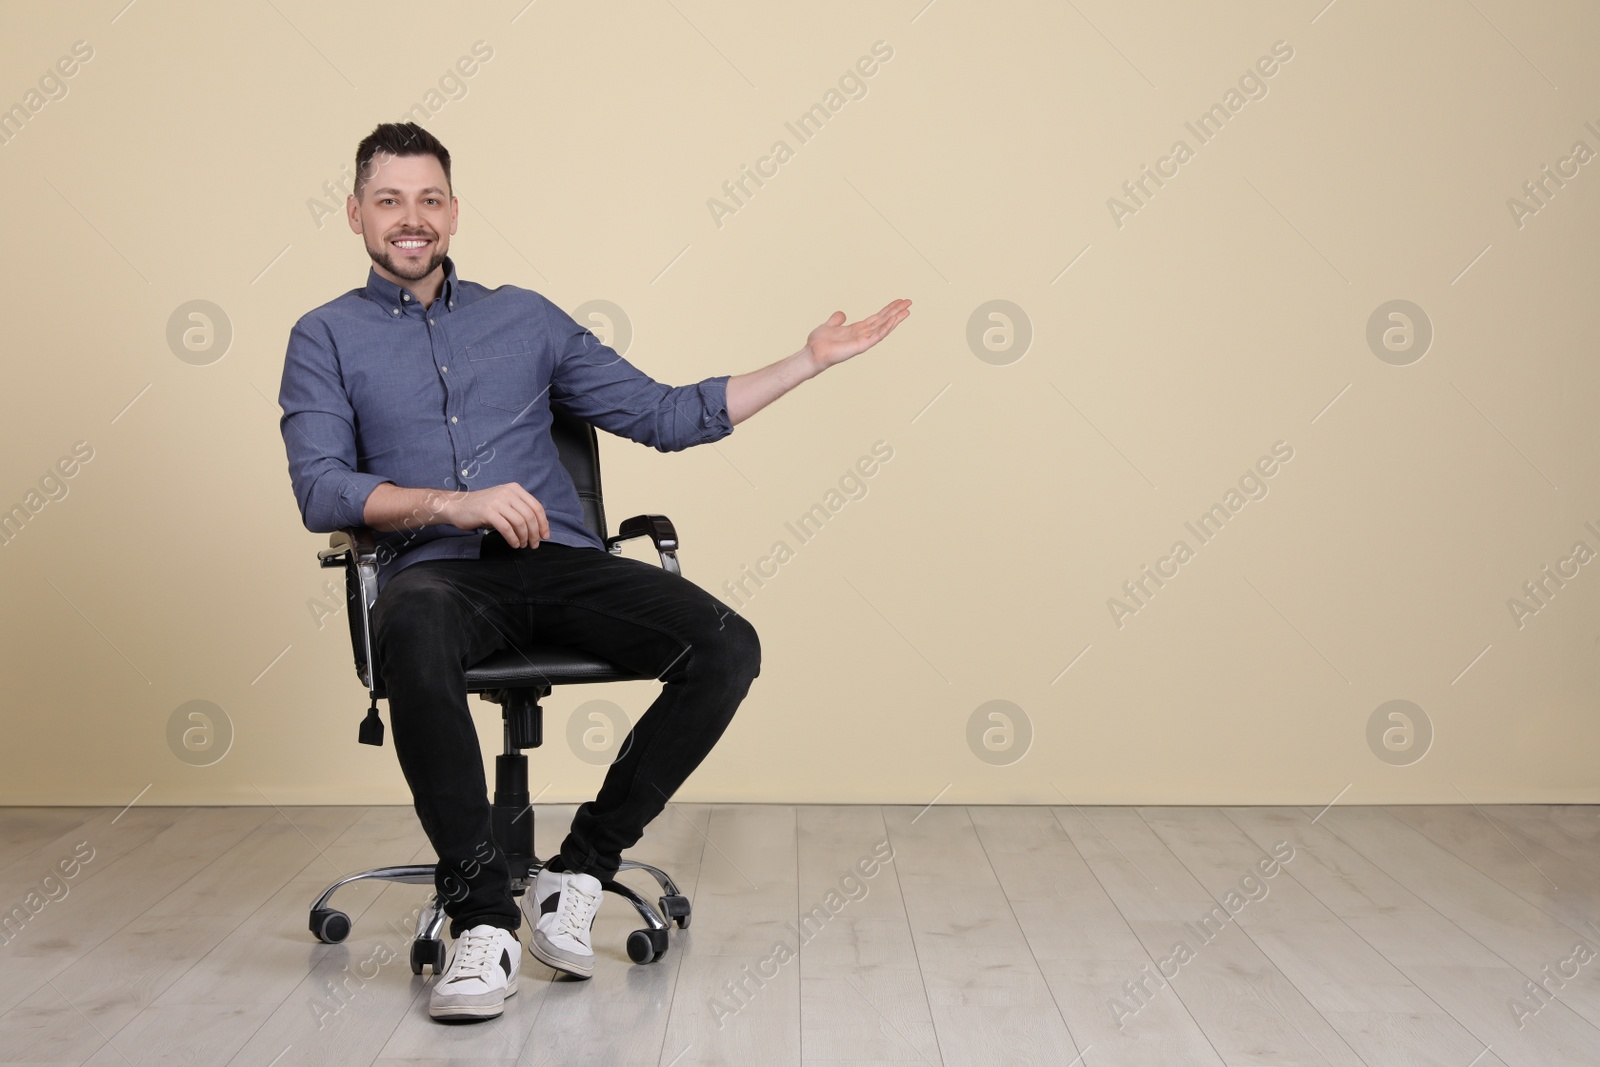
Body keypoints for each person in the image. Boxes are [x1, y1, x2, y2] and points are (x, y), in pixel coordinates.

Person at [277, 122, 910, 1023]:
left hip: (558, 565)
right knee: (412, 622)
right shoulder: (325, 336)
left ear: (453, 212)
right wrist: (451, 504)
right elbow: (321, 487)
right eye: (389, 201)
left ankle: (579, 871)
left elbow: (664, 413)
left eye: (428, 200)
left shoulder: (526, 318)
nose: (410, 219)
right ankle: (482, 916)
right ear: (355, 214)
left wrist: (807, 361)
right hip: (440, 579)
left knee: (728, 644)